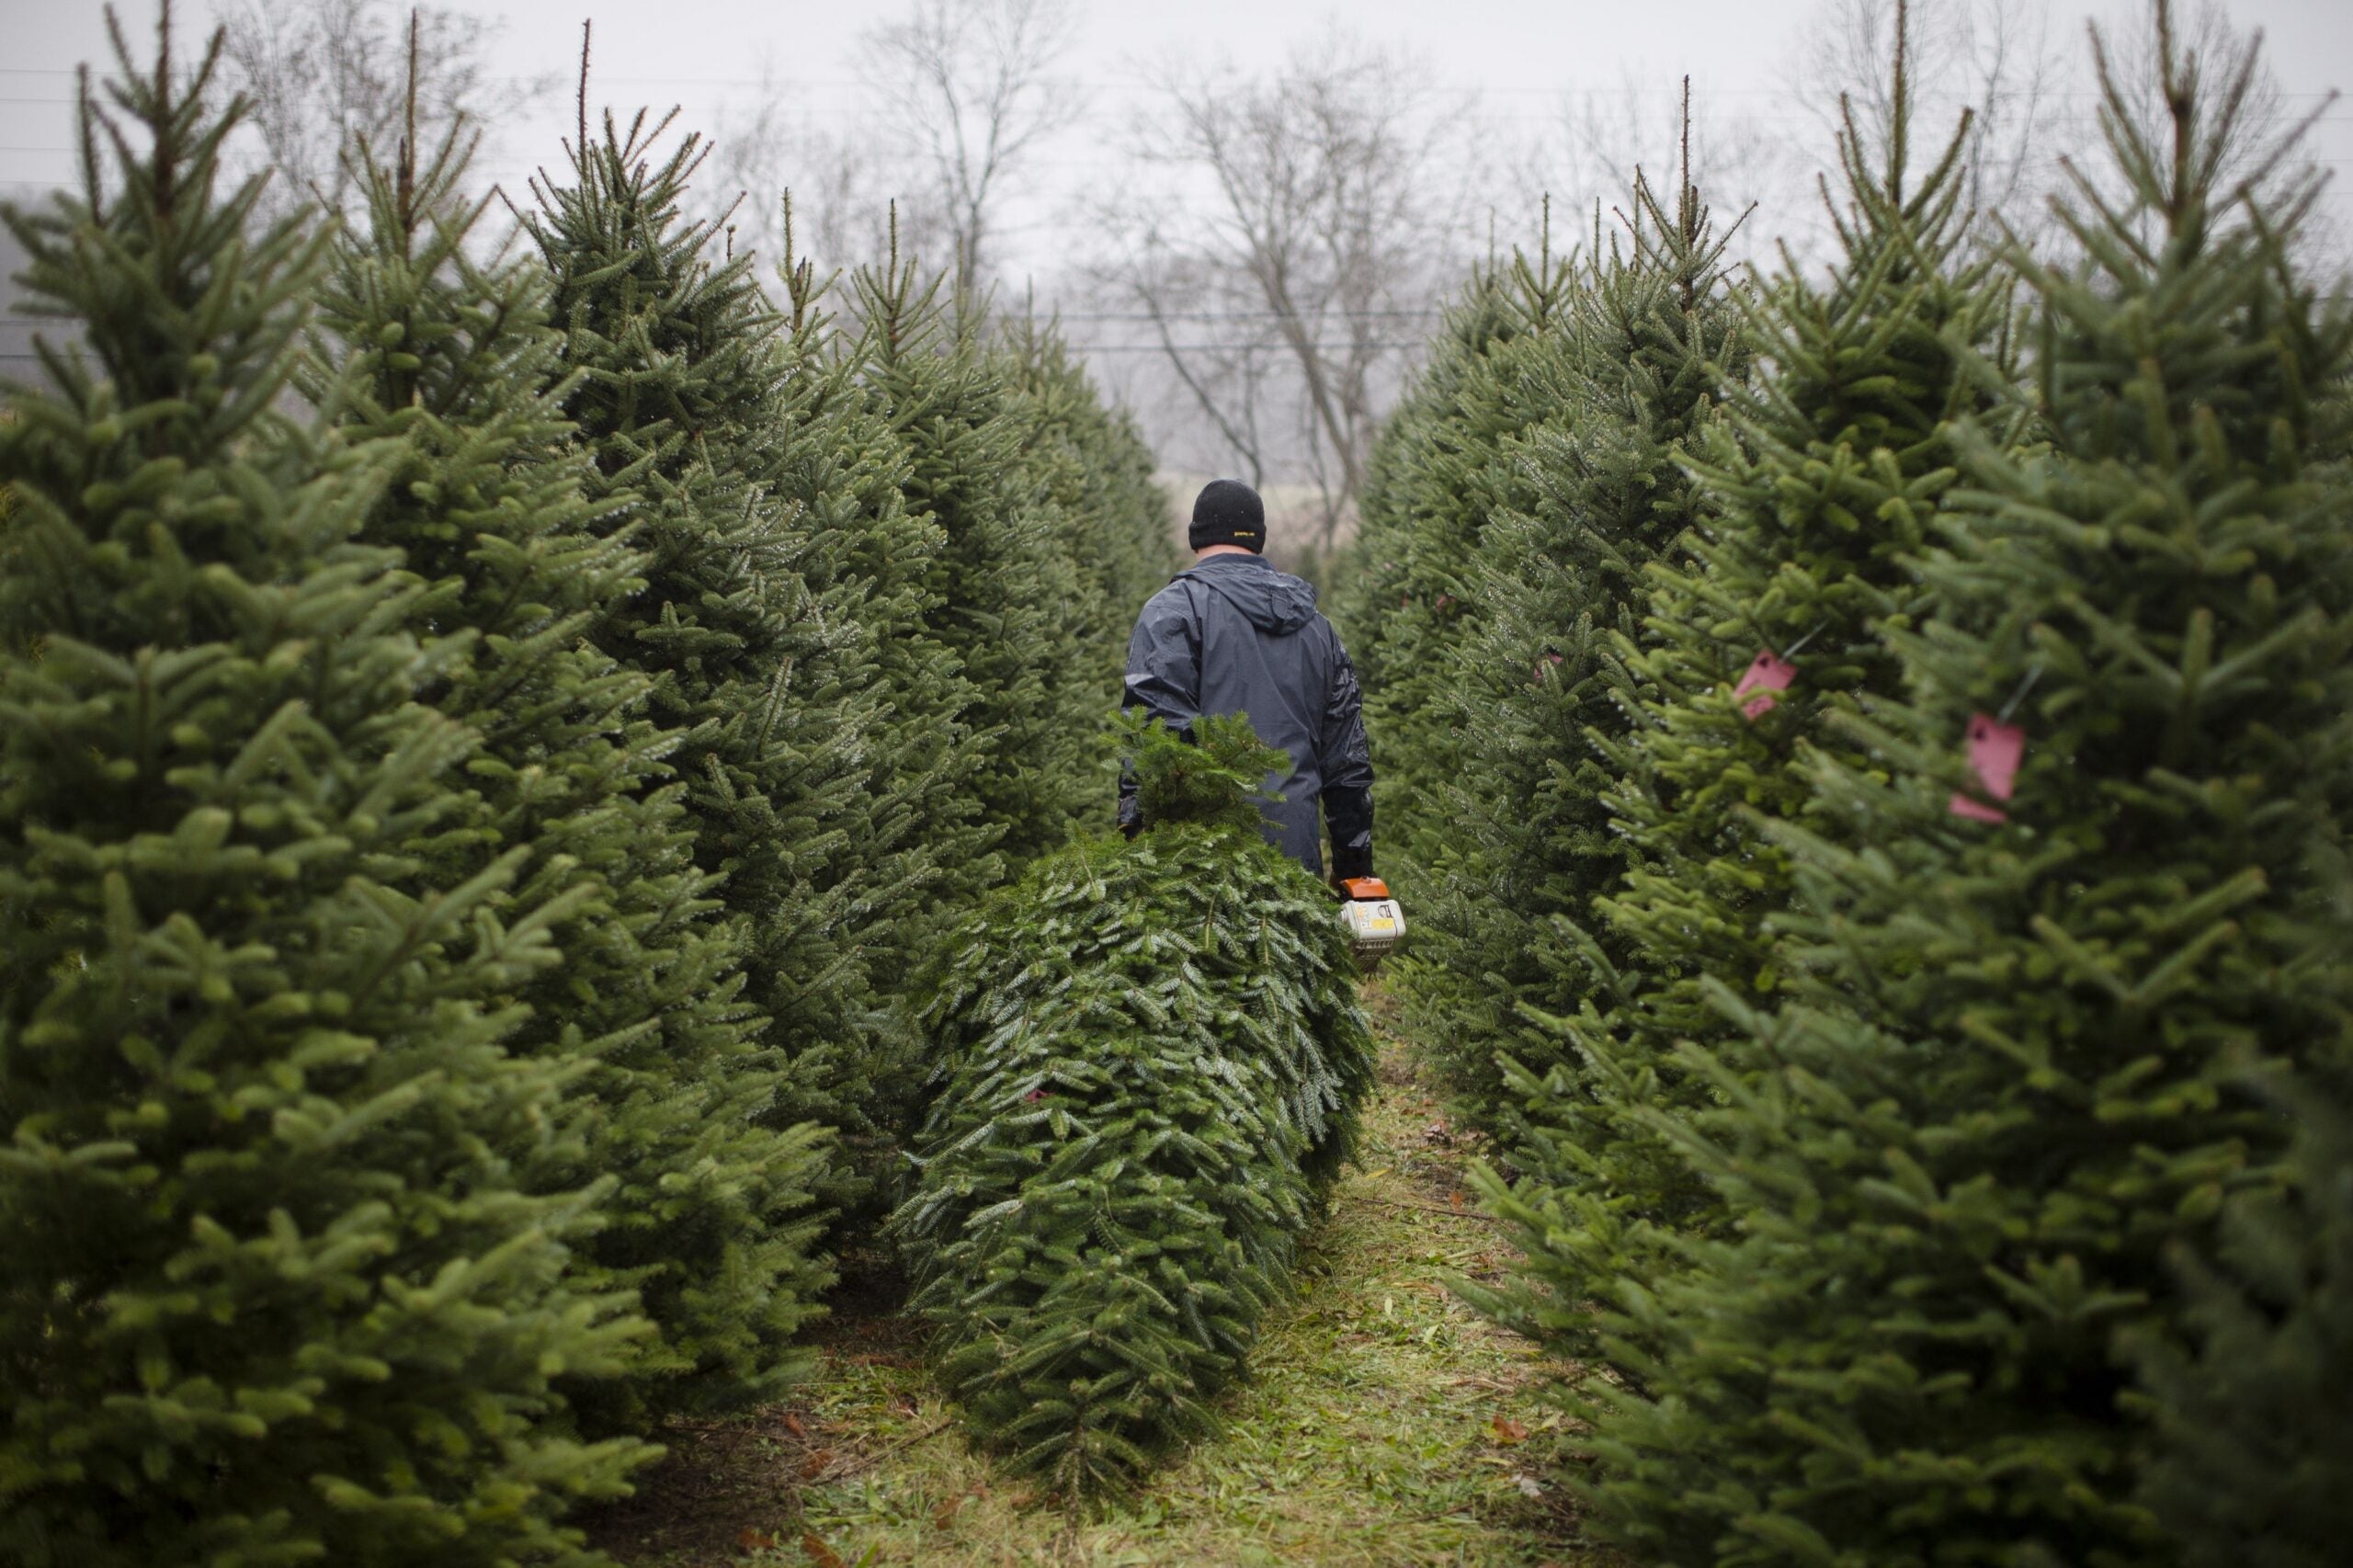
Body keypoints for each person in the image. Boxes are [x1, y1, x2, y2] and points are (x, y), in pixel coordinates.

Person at [1120, 478, 1374, 881]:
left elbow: (1155, 742)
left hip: (1198, 875)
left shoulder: (1173, 611)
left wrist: (1136, 851)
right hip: (1297, 869)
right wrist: (1355, 874)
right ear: (1258, 540)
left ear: (1195, 537)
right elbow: (1348, 766)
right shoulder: (1319, 629)